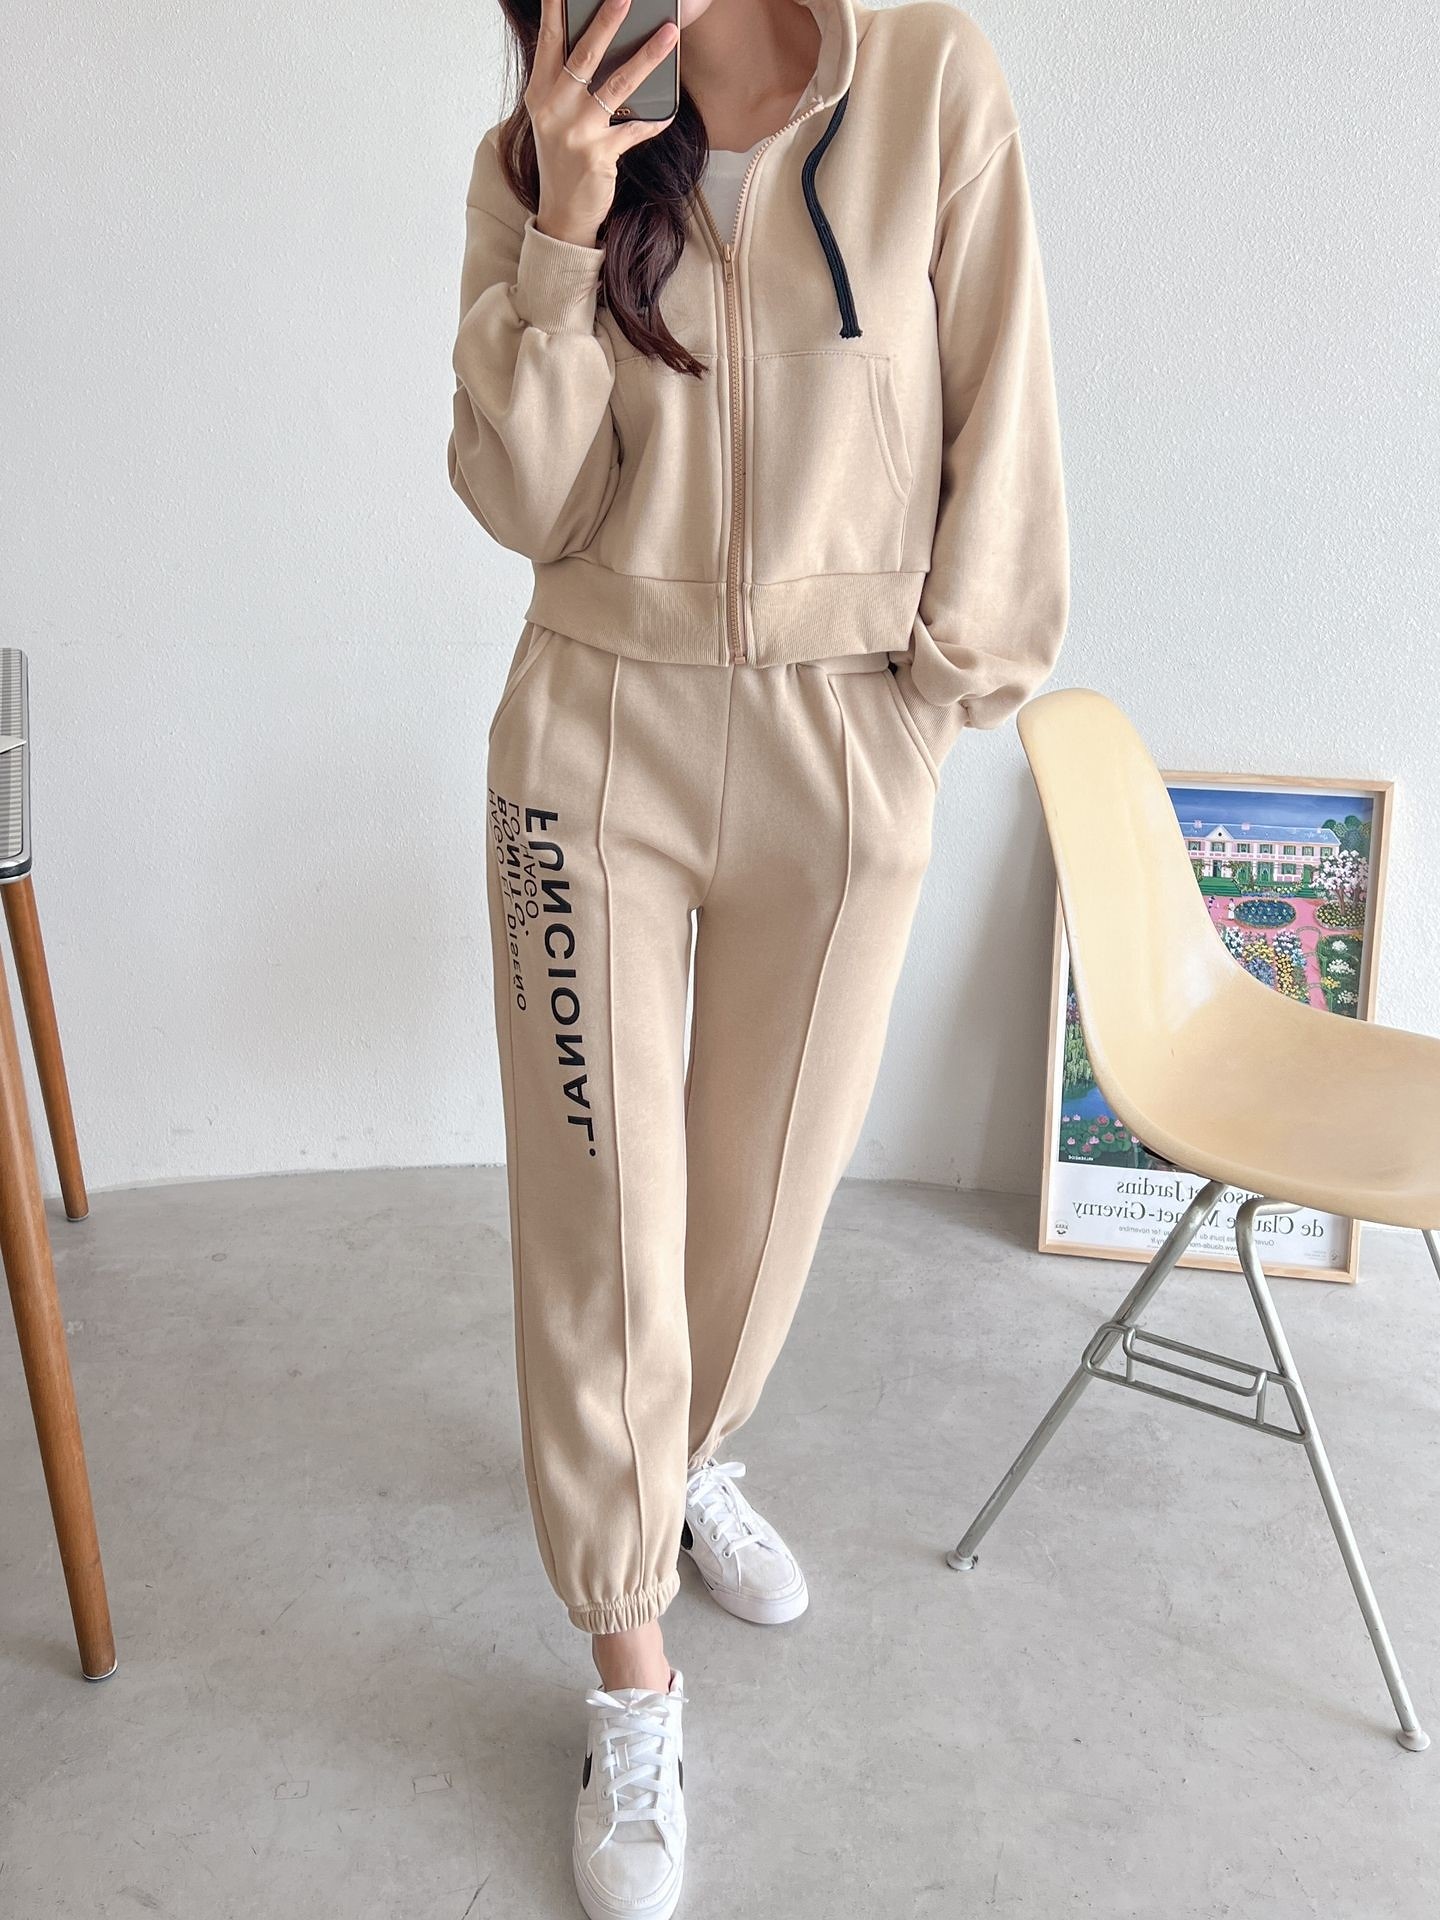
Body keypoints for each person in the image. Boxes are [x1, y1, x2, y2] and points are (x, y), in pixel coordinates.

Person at [447, 0, 1068, 1912]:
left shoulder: (932, 77)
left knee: (761, 1202)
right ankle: (627, 1652)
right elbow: (520, 499)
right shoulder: (537, 157)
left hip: (842, 730)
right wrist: (562, 228)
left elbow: (1005, 402)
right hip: (594, 732)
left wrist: (936, 702)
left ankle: (687, 1451)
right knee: (602, 1207)